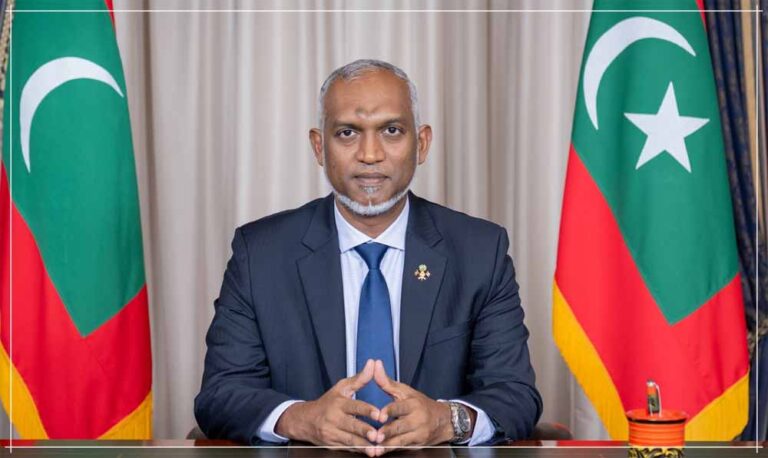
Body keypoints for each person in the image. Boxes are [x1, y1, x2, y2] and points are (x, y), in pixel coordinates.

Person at [194, 59, 542, 455]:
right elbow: (221, 394)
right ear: (319, 146)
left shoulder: (479, 250)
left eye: (391, 130)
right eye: (347, 133)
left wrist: (447, 419)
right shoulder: (260, 253)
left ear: (422, 143)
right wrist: (301, 418)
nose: (370, 154)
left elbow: (515, 394)